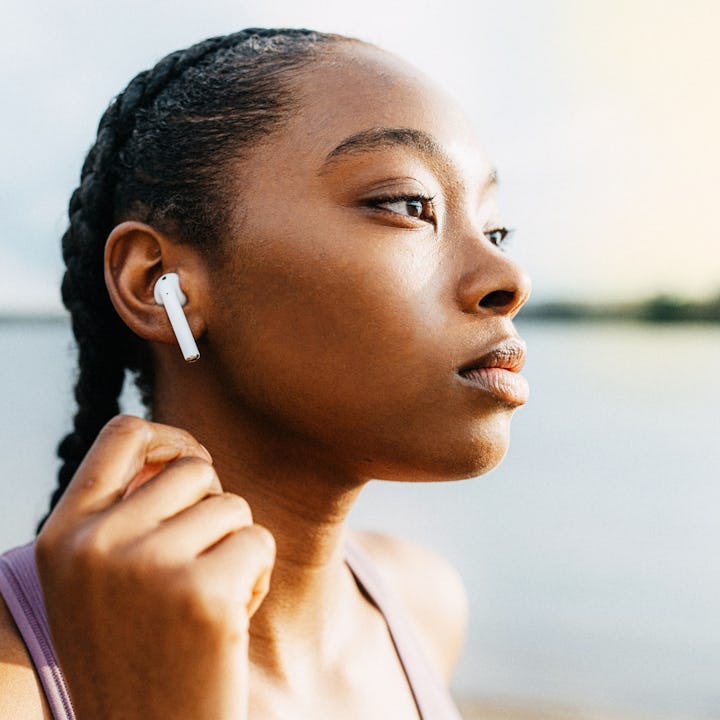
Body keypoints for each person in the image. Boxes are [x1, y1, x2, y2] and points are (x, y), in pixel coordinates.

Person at [0, 27, 530, 719]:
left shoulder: (421, 605)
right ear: (160, 282)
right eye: (405, 204)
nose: (508, 278)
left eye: (494, 231)